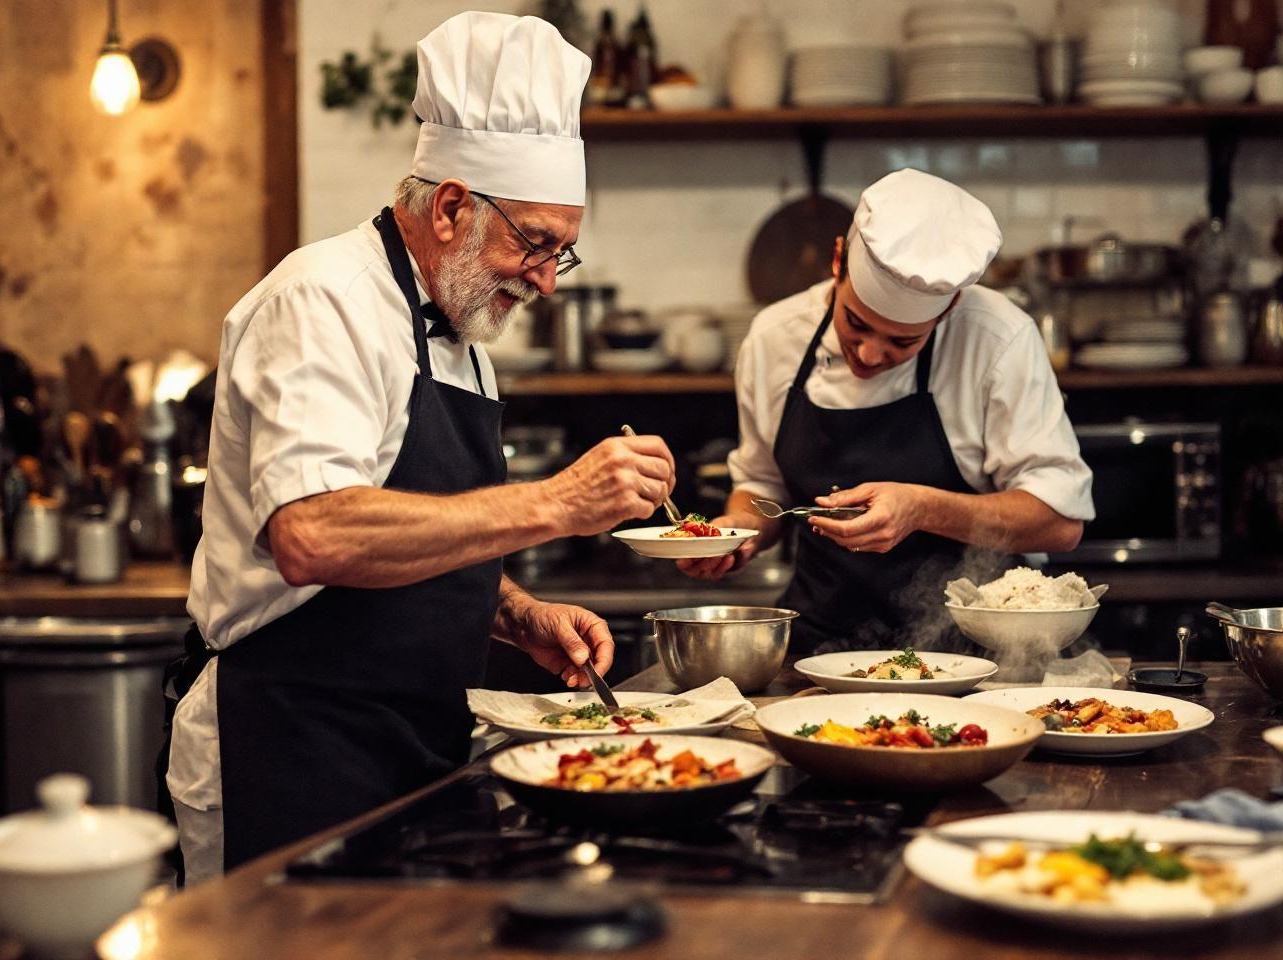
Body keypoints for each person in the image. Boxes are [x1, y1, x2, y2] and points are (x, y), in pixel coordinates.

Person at [163, 11, 677, 885]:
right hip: (293, 745)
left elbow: (424, 525)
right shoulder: (322, 301)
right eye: (538, 242)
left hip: (419, 748)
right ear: (450, 208)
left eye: (564, 252)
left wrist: (515, 614)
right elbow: (313, 536)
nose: (548, 280)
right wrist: (558, 501)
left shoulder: (463, 330)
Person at [680, 168, 1094, 652]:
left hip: (979, 648)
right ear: (838, 262)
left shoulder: (999, 340)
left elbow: (1060, 522)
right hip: (822, 647)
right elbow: (760, 483)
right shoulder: (774, 337)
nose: (871, 355)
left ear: (948, 307)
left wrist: (922, 508)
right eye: (854, 322)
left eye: (903, 341)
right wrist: (740, 533)